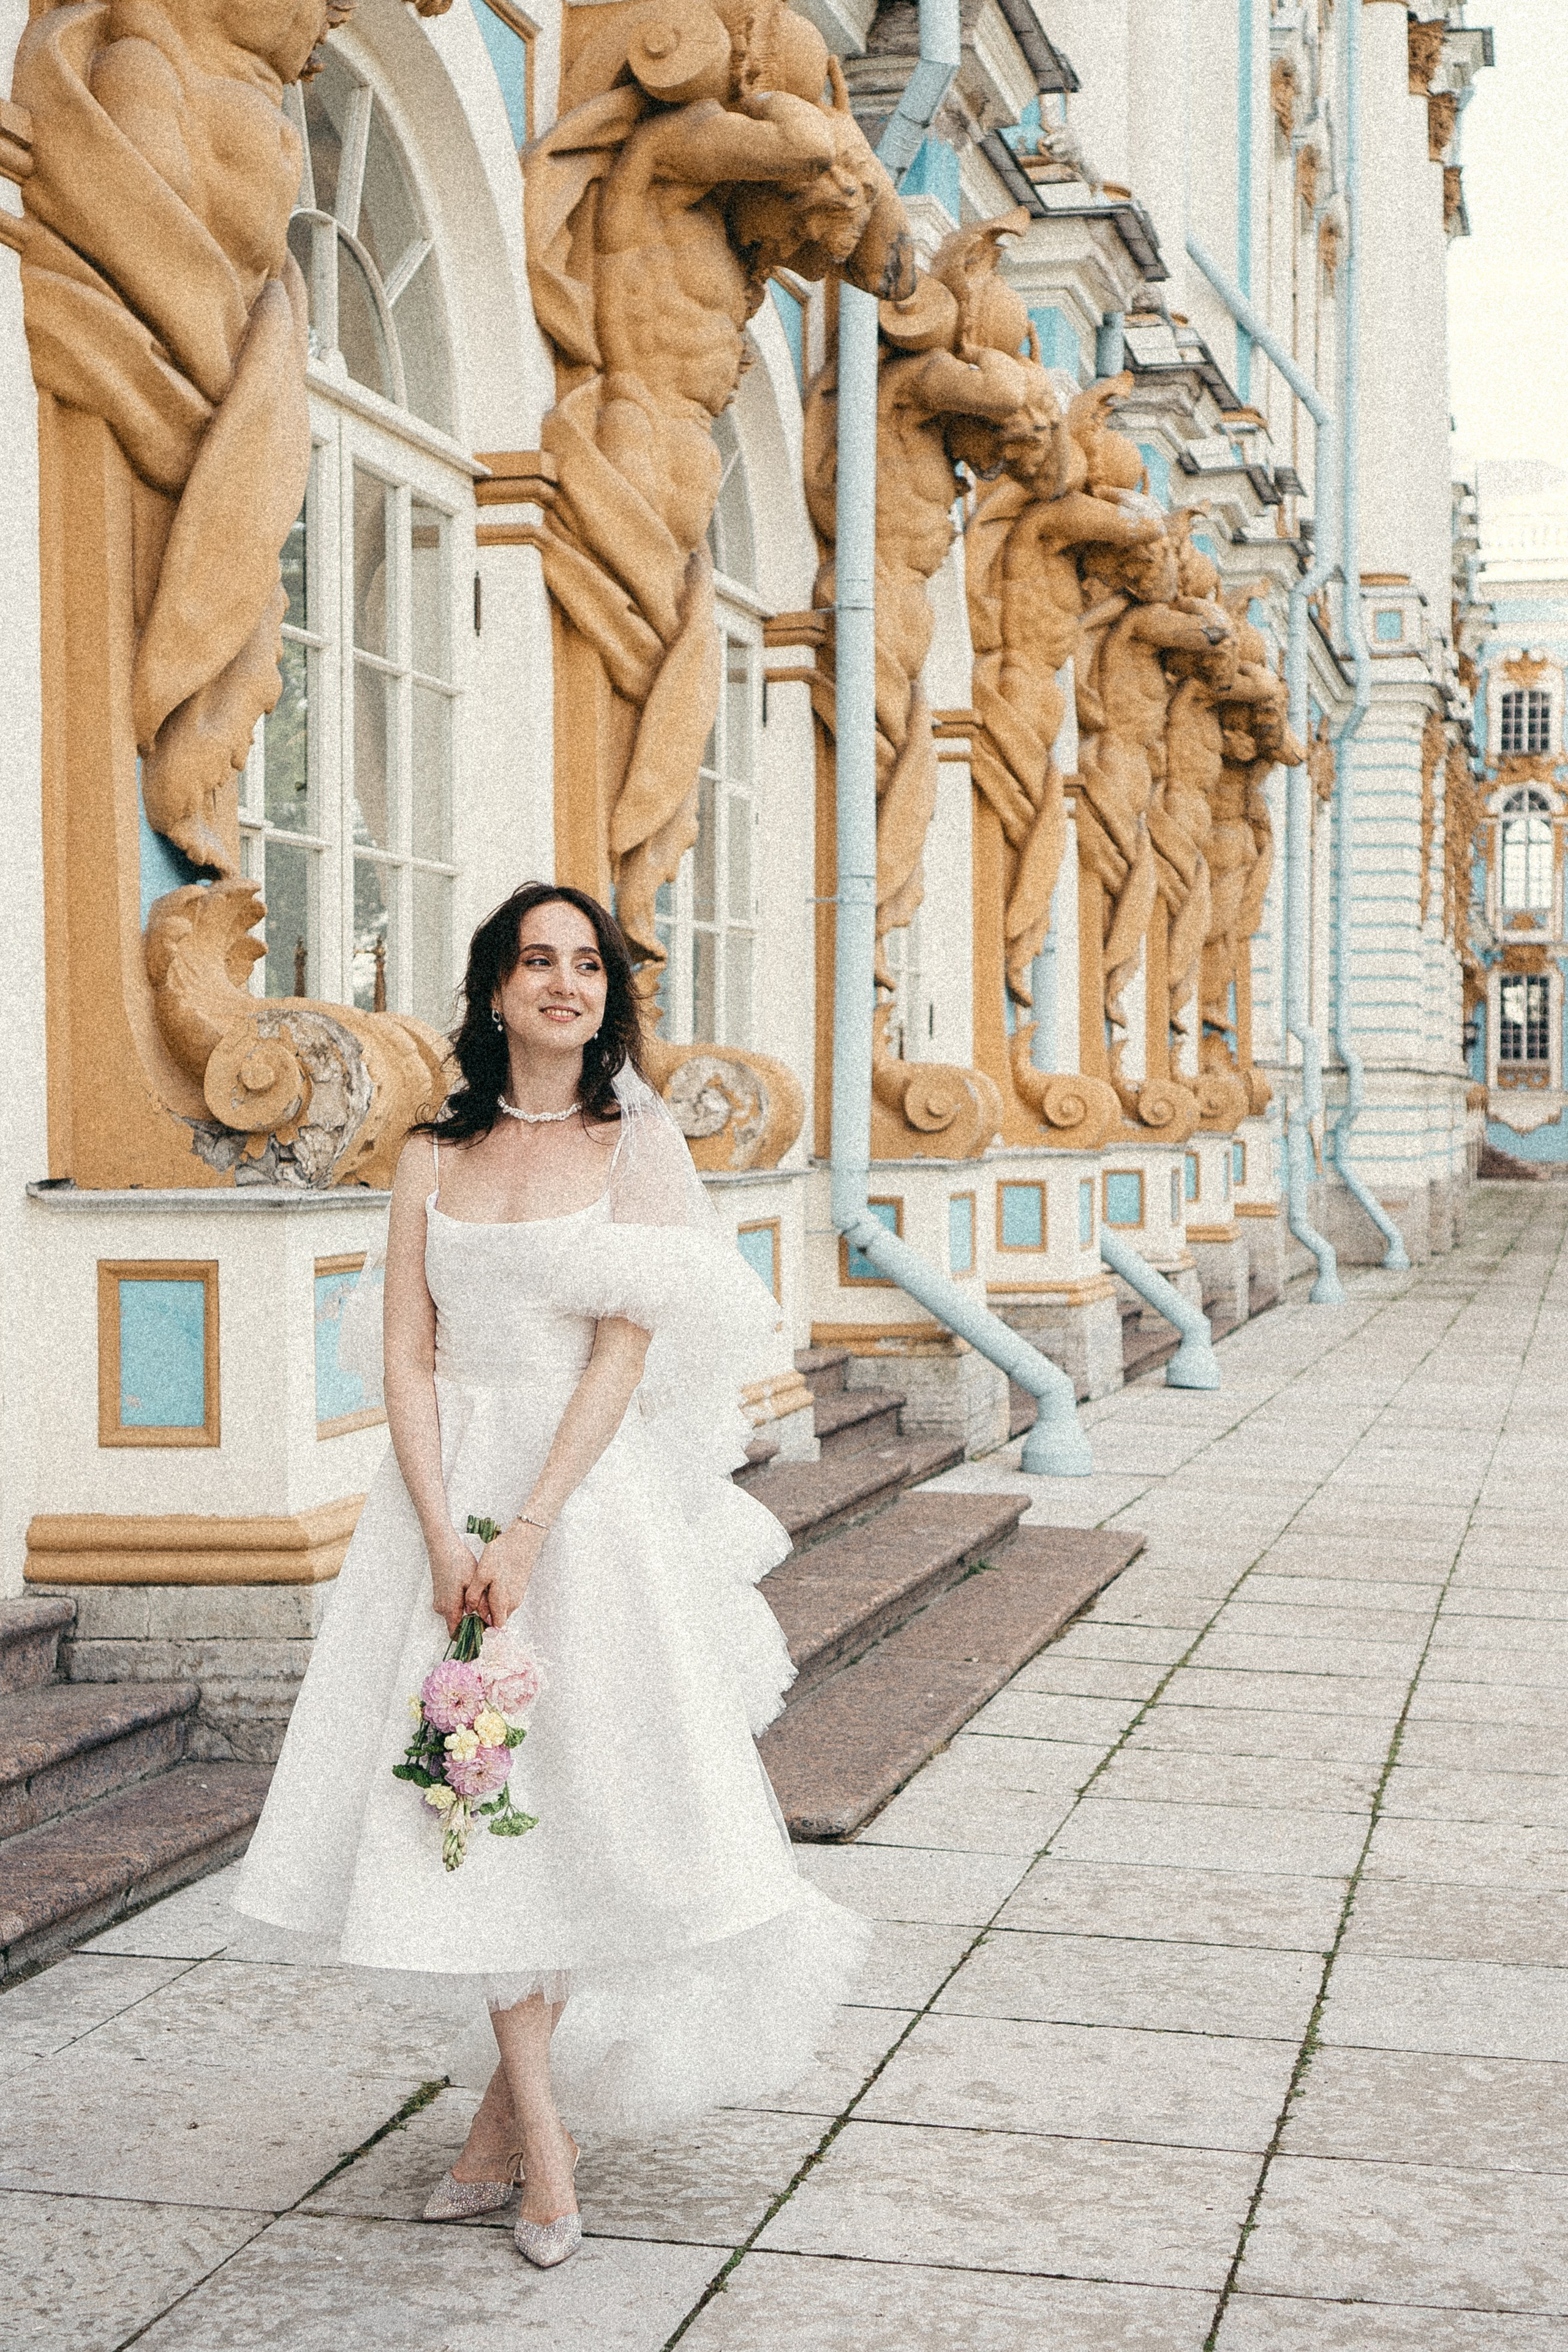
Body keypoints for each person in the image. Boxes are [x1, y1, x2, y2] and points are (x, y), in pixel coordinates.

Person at [234, 883, 866, 2268]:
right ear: (496, 990)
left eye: (585, 965)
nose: (562, 984)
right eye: (537, 962)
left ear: (604, 996)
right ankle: (529, 2131)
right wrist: (445, 1526)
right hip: (437, 1506)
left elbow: (621, 1354)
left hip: (582, 1512)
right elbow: (406, 1350)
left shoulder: (630, 1144)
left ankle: (517, 2132)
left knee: (566, 1800)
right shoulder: (428, 1153)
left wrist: (521, 1532)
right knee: (470, 1795)